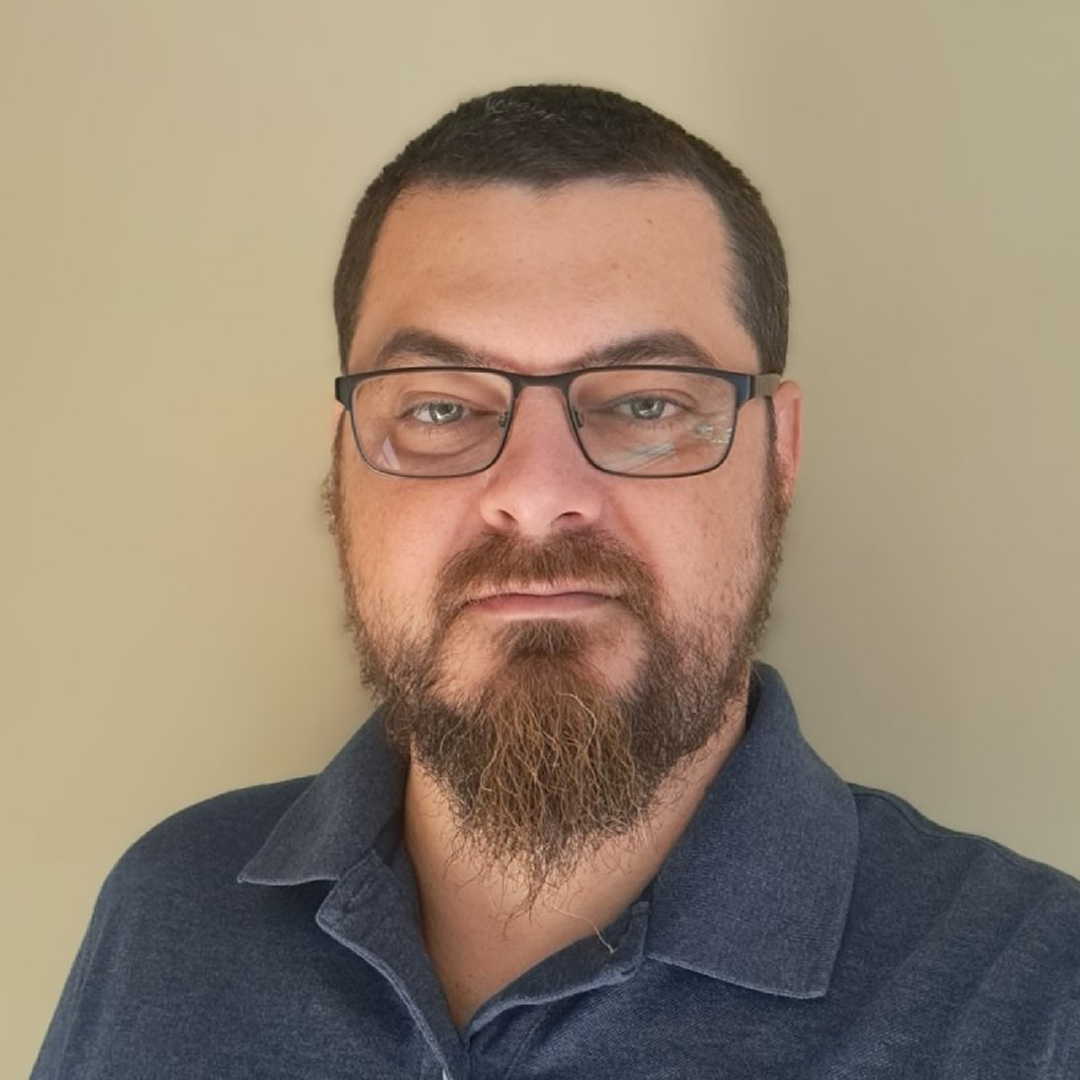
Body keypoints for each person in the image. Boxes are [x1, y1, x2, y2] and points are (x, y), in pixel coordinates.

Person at [33, 84, 1080, 1079]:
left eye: (648, 403)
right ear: (344, 458)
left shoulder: (1041, 1003)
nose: (536, 497)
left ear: (782, 453)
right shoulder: (170, 911)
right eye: (438, 408)